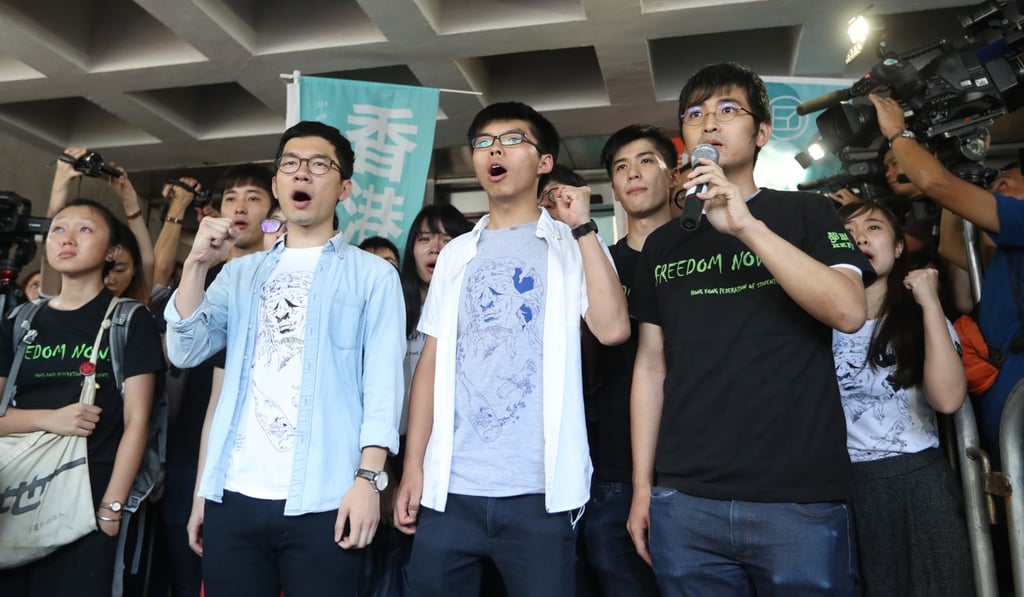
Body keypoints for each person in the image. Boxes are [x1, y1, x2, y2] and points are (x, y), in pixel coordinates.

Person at [626, 62, 871, 595]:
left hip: (798, 497)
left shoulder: (806, 213)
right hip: (686, 499)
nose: (709, 122)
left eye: (727, 110)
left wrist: (745, 226)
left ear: (762, 132)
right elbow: (650, 368)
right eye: (695, 114)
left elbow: (849, 311)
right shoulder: (663, 244)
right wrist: (644, 488)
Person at [395, 101, 630, 597]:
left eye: (511, 139)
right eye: (483, 142)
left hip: (539, 493)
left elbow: (612, 330)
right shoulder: (457, 254)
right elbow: (431, 365)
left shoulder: (572, 244)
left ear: (544, 162)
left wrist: (583, 227)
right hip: (450, 489)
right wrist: (413, 466)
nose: (494, 150)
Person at [164, 120, 405, 596]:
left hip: (326, 496)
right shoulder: (241, 273)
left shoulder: (373, 276)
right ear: (277, 185)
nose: (302, 173)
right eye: (290, 164)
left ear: (344, 188)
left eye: (319, 165)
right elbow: (184, 349)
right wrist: (196, 264)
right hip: (234, 494)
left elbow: (383, 387)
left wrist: (368, 481)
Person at [0, 199, 165, 597]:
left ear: (112, 251)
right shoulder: (20, 321)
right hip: (15, 496)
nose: (67, 238)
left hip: (87, 503)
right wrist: (50, 418)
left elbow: (138, 423)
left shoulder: (129, 320)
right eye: (58, 229)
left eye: (85, 229)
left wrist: (112, 508)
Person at [869, 93, 1024, 453]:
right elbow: (953, 249)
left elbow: (936, 185)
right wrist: (956, 179)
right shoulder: (1009, 251)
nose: (993, 193)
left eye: (1004, 184)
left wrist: (898, 133)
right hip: (1006, 414)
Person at [150, 163, 278, 597]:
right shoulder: (203, 276)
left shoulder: (280, 282)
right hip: (189, 450)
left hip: (251, 458)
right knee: (187, 574)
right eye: (230, 199)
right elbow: (176, 350)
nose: (239, 208)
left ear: (274, 213)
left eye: (253, 198)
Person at [834, 201, 973, 596]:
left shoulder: (919, 318)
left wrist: (929, 302)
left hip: (916, 481)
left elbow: (948, 400)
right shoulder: (817, 322)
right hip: (841, 486)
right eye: (847, 232)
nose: (859, 238)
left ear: (898, 248)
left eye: (873, 228)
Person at [582, 123, 677, 596]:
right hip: (612, 470)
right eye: (621, 167)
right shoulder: (599, 267)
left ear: (673, 175)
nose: (633, 173)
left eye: (645, 161)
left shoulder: (703, 260)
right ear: (614, 188)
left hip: (694, 469)